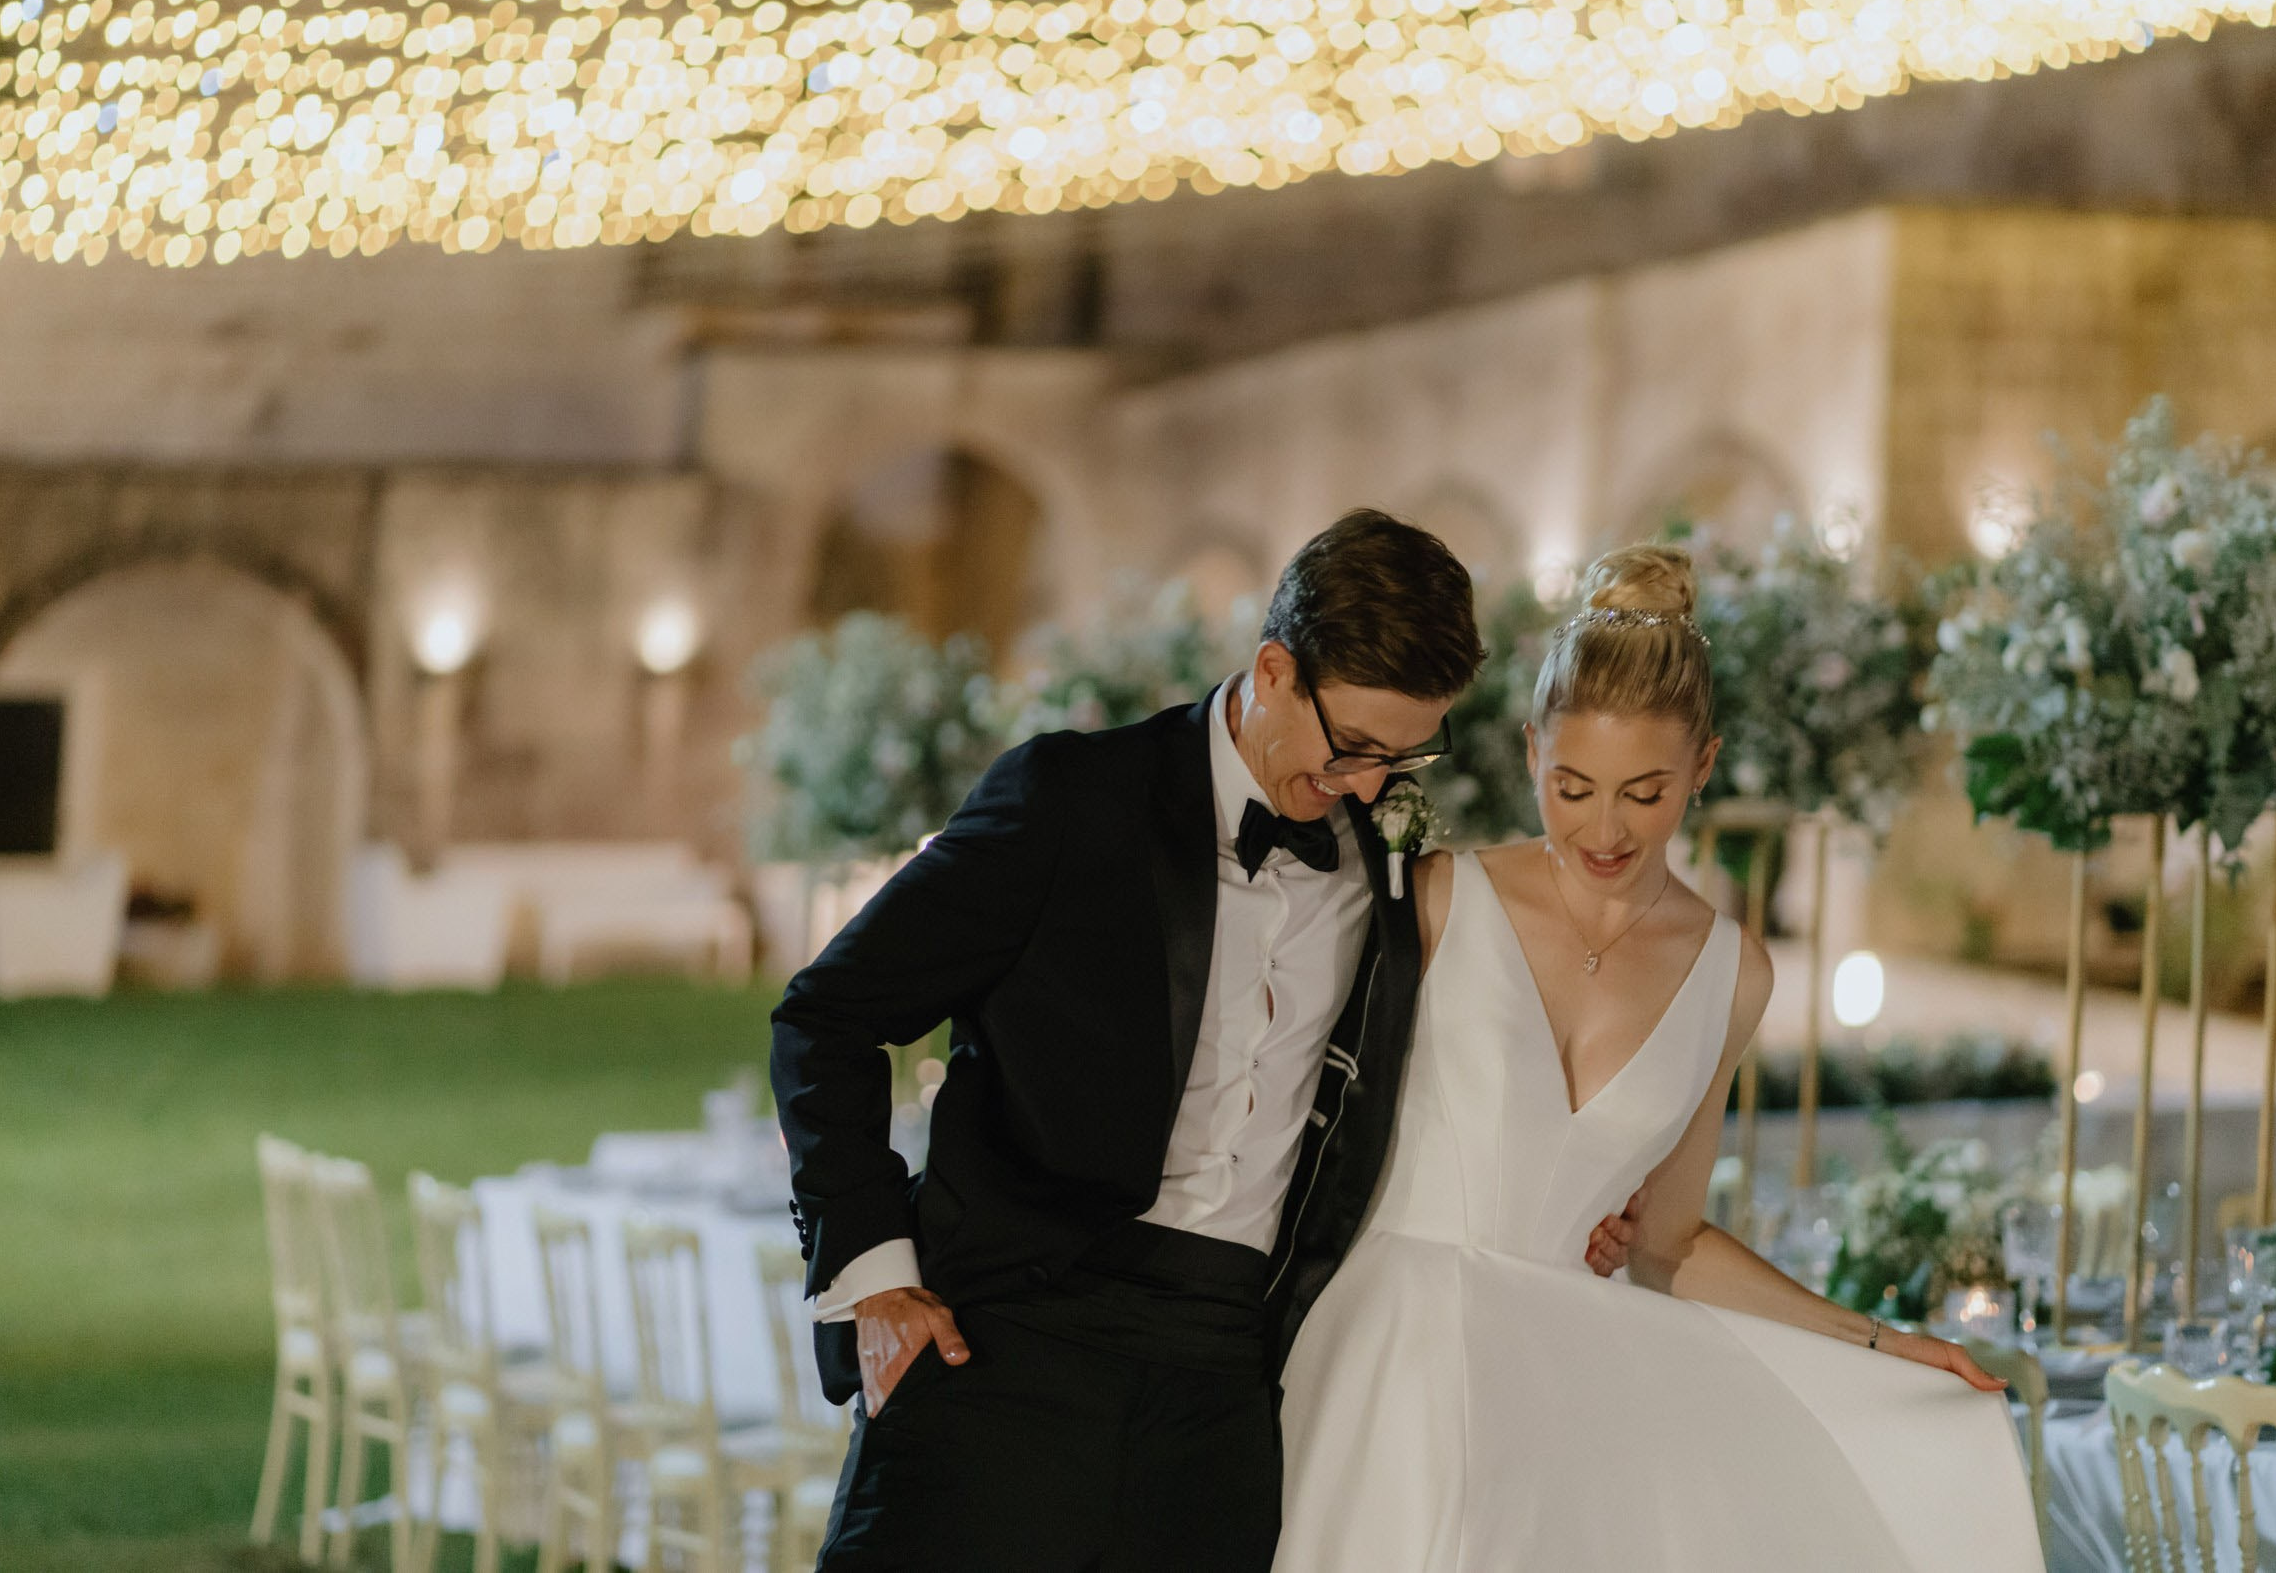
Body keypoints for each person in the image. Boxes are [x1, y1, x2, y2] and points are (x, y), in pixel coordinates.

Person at [1275, 545, 2046, 1573]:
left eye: (1644, 793)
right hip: (1378, 1364)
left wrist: (1875, 1341)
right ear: (1529, 748)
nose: (1603, 827)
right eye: (1570, 786)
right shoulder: (1438, 896)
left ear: (1705, 766)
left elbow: (1666, 1243)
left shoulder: (1733, 973)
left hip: (1560, 1405)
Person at [775, 509, 1518, 1572]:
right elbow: (826, 1016)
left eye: (1403, 756)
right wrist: (876, 1278)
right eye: (1352, 746)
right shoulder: (1070, 800)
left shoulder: (1392, 874)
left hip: (1222, 1385)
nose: (1366, 784)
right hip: (1008, 1339)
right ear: (1272, 669)